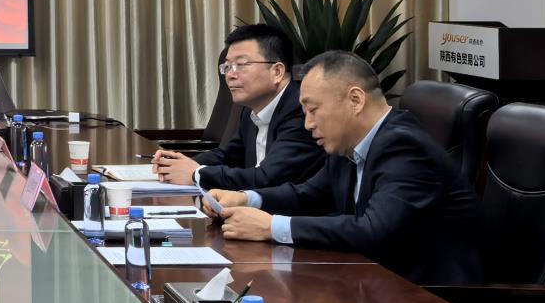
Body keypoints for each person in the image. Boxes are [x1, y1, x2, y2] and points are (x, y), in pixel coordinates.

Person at [206, 51, 482, 285]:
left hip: (430, 300)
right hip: (372, 282)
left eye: (313, 110)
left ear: (355, 100)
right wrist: (247, 198)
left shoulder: (405, 146)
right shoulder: (348, 142)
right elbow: (309, 194)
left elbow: (374, 230)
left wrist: (271, 227)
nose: (308, 124)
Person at [153, 23, 324, 191]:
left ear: (277, 72)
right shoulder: (250, 109)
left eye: (241, 65)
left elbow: (268, 178)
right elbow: (230, 156)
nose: (230, 75)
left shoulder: (301, 110)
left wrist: (196, 174)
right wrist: (180, 164)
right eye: (227, 66)